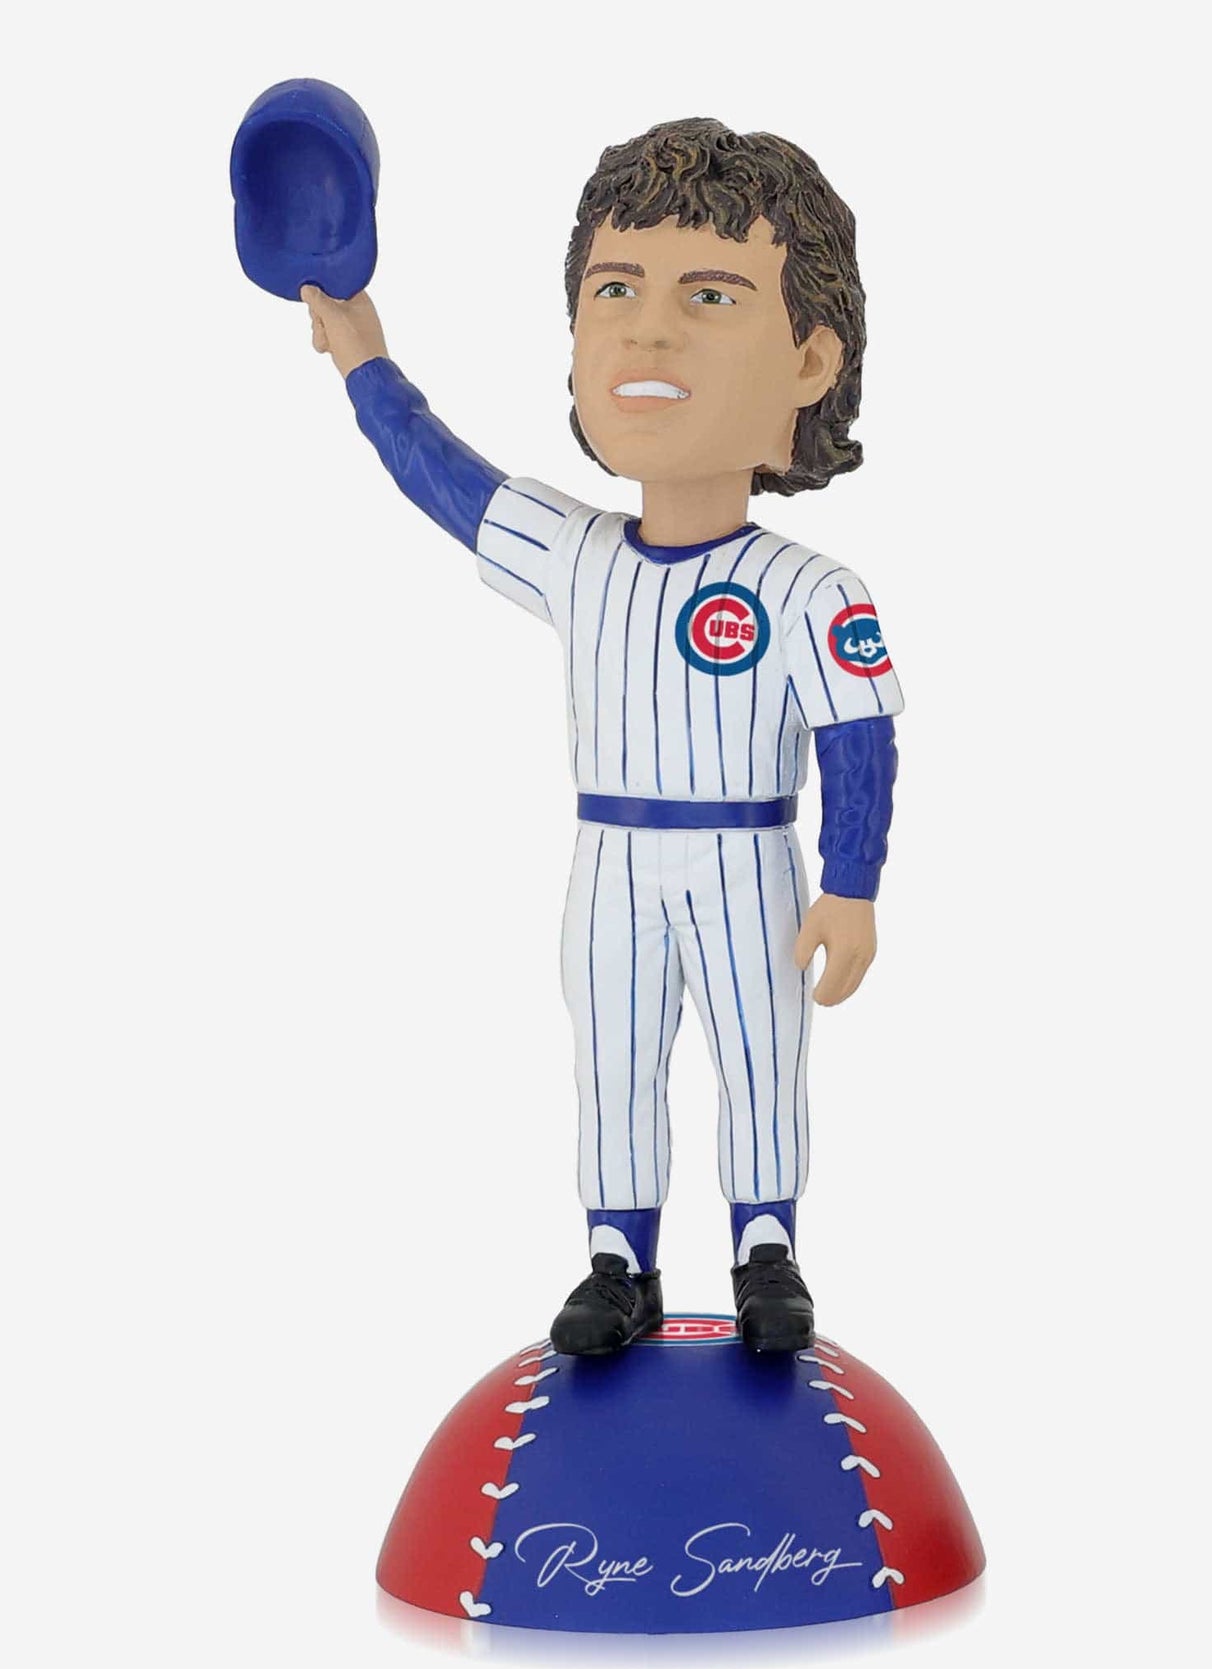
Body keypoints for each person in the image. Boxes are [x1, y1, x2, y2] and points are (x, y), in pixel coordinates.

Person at [303, 118, 901, 1357]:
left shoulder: (809, 587)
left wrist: (849, 882)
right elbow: (437, 473)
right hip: (610, 854)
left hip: (747, 854)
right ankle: (617, 1258)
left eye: (710, 295)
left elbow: (857, 734)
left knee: (760, 1049)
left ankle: (765, 1248)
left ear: (807, 359)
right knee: (613, 1052)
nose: (647, 332)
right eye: (614, 291)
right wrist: (362, 352)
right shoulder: (574, 554)